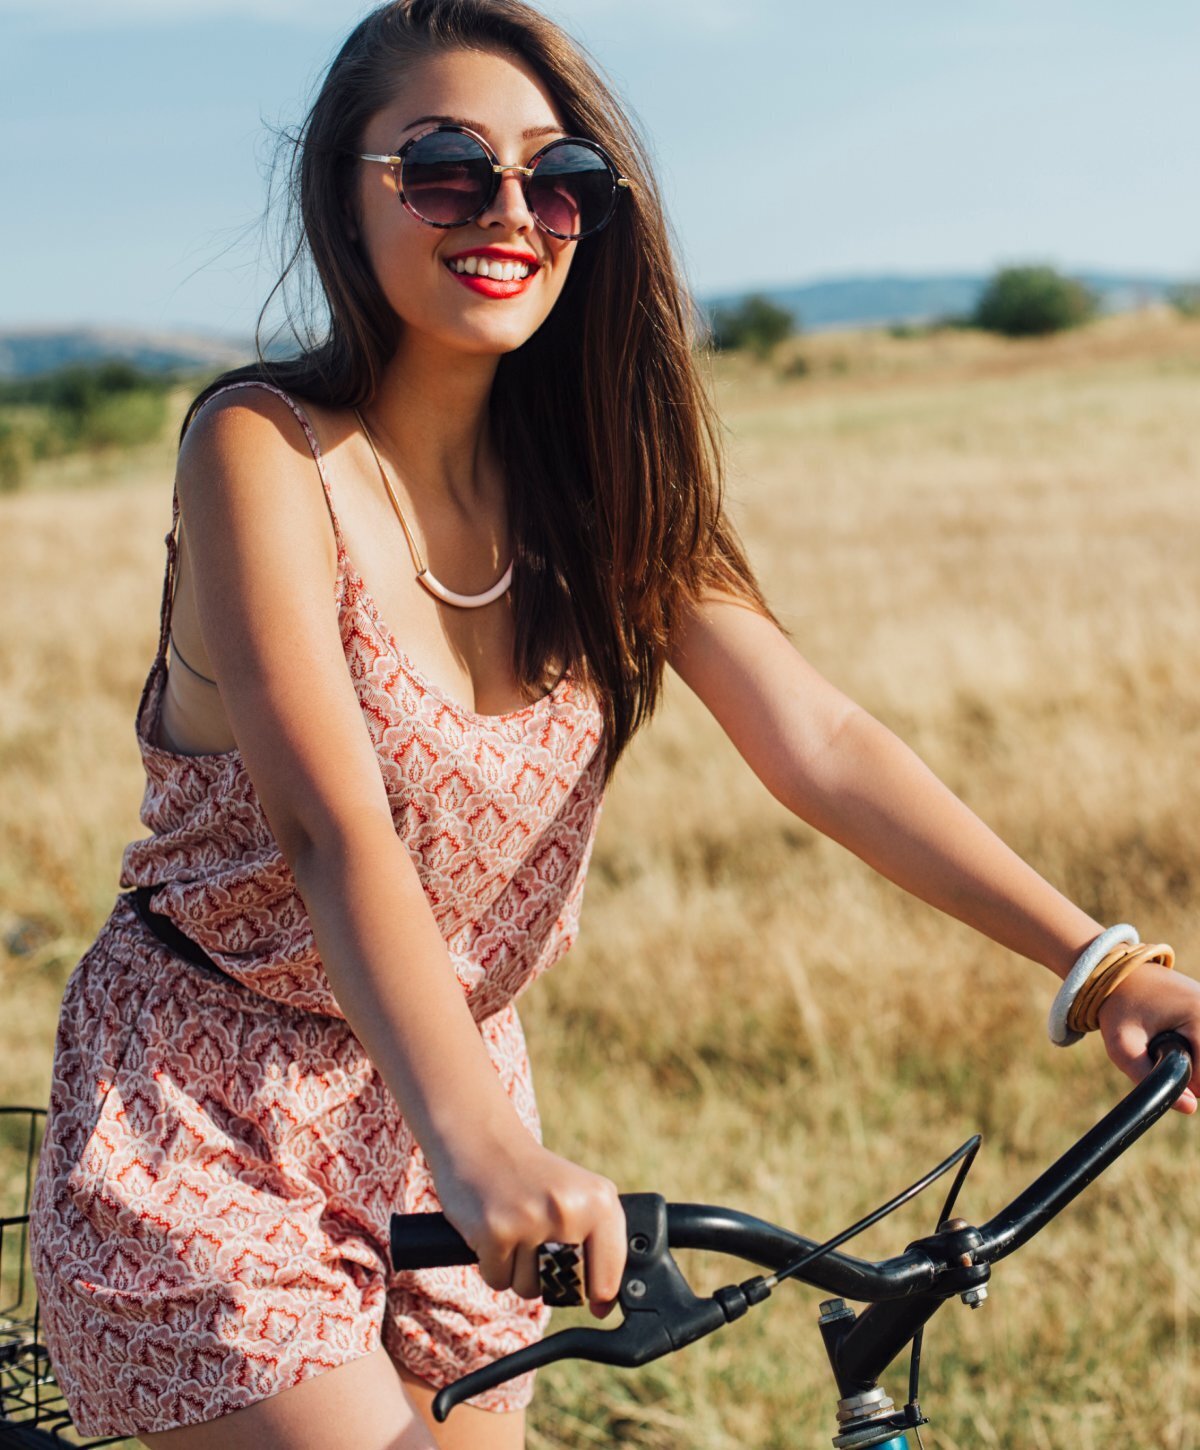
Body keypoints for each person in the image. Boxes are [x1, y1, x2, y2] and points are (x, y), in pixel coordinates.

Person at [27, 1, 1200, 1447]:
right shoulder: (263, 451)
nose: (509, 211)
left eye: (558, 176)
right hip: (215, 1111)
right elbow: (332, 828)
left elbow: (818, 742)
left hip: (445, 1108)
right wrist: (482, 1147)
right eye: (447, 169)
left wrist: (1103, 964)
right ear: (347, 189)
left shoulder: (598, 490)